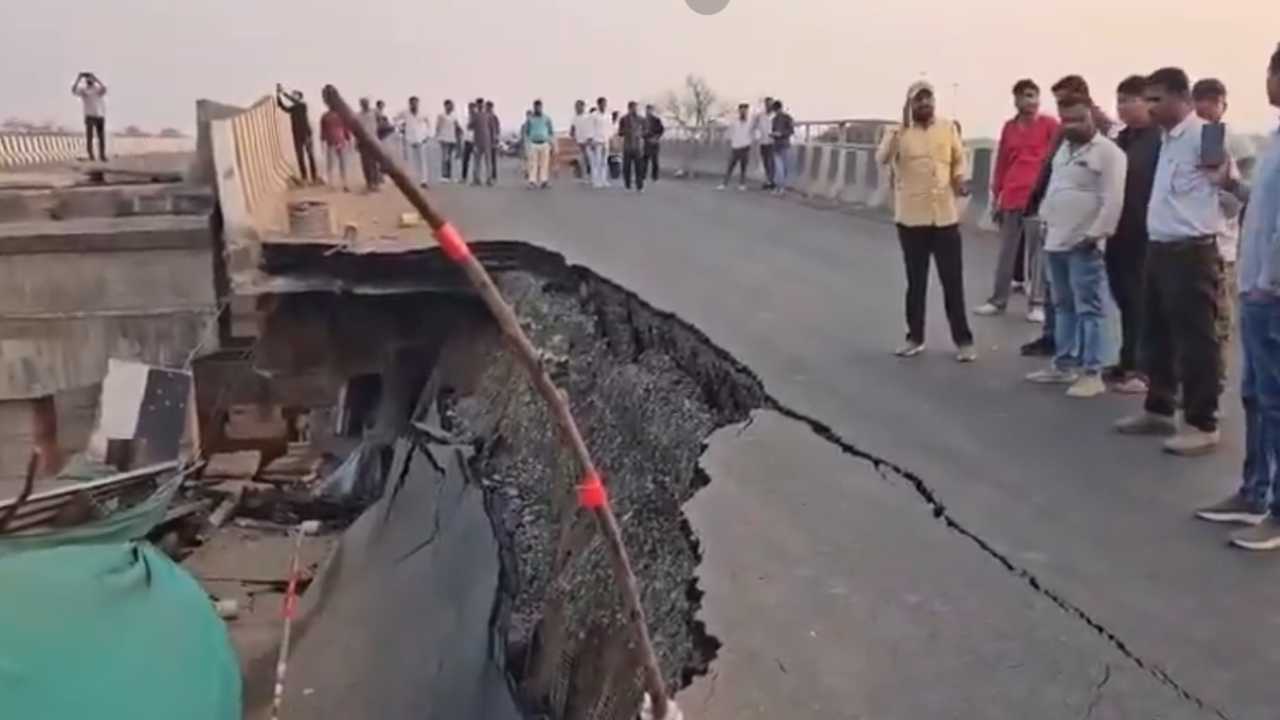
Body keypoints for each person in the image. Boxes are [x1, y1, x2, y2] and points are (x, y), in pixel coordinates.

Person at [1114, 67, 1232, 456]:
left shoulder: (1205, 136)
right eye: (1146, 99)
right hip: (1160, 247)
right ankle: (1159, 407)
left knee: (1196, 340)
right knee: (1157, 334)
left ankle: (1202, 422)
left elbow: (1229, 195)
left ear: (1181, 98)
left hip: (1192, 250)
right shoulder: (1165, 140)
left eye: (1156, 99)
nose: (1149, 107)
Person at [1194, 44, 1280, 550]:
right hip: (1255, 287)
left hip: (1272, 292)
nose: (1267, 81)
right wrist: (1231, 183)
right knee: (1255, 397)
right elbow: (1263, 209)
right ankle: (1254, 492)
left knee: (1276, 402)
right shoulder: (1272, 142)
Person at [1024, 93, 1126, 398]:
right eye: (1066, 119)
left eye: (1079, 118)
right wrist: (1045, 221)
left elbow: (1113, 199)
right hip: (1056, 239)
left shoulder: (1108, 153)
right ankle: (1063, 363)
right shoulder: (1064, 151)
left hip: (1084, 243)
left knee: (1090, 308)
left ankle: (1092, 371)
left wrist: (1096, 234)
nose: (1072, 125)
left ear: (1092, 116)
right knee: (1063, 305)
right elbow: (1056, 188)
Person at [876, 80, 977, 362]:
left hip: (944, 217)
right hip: (911, 218)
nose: (925, 105)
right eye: (918, 100)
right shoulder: (896, 131)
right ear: (910, 104)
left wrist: (959, 179)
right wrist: (899, 129)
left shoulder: (947, 128)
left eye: (928, 99)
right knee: (916, 282)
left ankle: (964, 341)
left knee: (952, 282)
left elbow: (959, 159)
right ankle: (914, 337)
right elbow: (882, 158)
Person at [1019, 75, 1110, 358]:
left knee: (1081, 294)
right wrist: (1037, 200)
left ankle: (1082, 353)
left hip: (1083, 224)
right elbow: (1051, 166)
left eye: (1064, 100)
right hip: (1056, 217)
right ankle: (1055, 339)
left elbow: (1108, 188)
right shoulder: (1066, 128)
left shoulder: (1100, 131)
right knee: (1055, 287)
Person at [975, 79, 1059, 320]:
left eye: (1034, 96)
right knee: (1006, 252)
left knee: (1038, 254)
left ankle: (1037, 304)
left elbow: (1058, 158)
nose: (1031, 101)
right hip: (1012, 196)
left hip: (1039, 198)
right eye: (1026, 96)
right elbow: (1001, 162)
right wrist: (996, 195)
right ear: (1017, 100)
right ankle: (998, 300)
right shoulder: (1009, 128)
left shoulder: (1049, 125)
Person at [1193, 78, 1255, 387]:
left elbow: (1246, 194)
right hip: (1193, 237)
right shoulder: (1187, 138)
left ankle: (1216, 373)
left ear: (1223, 105)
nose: (1205, 107)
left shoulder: (1236, 142)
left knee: (1219, 313)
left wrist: (1225, 188)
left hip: (1223, 240)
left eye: (1212, 101)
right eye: (1200, 99)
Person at [1105, 75, 1162, 393]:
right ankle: (1127, 359)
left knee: (1141, 300)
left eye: (1130, 100)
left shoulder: (1160, 139)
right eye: (1120, 100)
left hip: (1147, 231)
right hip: (1119, 230)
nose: (1124, 107)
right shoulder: (1121, 140)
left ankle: (1143, 367)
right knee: (1124, 297)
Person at [277, 84, 318, 184]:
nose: (293, 96)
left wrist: (283, 92)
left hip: (306, 134)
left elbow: (293, 101)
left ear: (299, 97)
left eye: (295, 95)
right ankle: (304, 177)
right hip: (296, 135)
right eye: (293, 95)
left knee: (310, 155)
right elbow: (282, 107)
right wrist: (278, 95)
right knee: (300, 157)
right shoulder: (293, 109)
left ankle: (314, 177)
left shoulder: (303, 106)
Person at [71, 72, 108, 162]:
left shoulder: (97, 89)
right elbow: (73, 90)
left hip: (99, 115)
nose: (89, 80)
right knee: (89, 137)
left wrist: (96, 78)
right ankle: (91, 155)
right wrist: (78, 78)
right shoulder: (84, 90)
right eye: (88, 79)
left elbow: (104, 89)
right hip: (89, 116)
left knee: (101, 137)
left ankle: (102, 155)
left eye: (91, 79)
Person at [397, 96, 432, 188]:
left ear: (418, 103)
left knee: (422, 161)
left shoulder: (423, 113)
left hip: (421, 140)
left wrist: (427, 136)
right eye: (412, 103)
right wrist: (401, 129)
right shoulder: (405, 113)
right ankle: (410, 181)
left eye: (415, 103)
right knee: (409, 161)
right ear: (409, 104)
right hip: (409, 140)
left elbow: (429, 124)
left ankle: (424, 181)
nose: (414, 105)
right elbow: (395, 119)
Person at [718, 103, 753, 191]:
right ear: (739, 111)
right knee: (730, 166)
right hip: (736, 146)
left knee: (743, 167)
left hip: (745, 146)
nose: (744, 112)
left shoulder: (750, 122)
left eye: (745, 110)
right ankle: (724, 184)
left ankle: (742, 184)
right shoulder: (734, 121)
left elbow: (754, 132)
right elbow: (726, 126)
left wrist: (751, 142)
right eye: (742, 110)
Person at [319, 105, 353, 191]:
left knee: (332, 164)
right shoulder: (340, 115)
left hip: (333, 142)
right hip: (338, 141)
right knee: (341, 164)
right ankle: (342, 184)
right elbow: (346, 129)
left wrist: (322, 143)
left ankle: (335, 184)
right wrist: (349, 141)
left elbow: (323, 131)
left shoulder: (326, 116)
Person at [524, 100, 555, 189]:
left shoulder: (546, 118)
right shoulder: (530, 119)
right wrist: (527, 144)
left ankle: (543, 180)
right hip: (533, 143)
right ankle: (532, 181)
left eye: (539, 107)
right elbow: (526, 132)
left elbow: (550, 132)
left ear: (541, 107)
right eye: (536, 107)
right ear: (534, 107)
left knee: (544, 163)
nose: (538, 108)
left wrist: (552, 143)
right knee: (532, 163)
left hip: (544, 143)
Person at [619, 101, 647, 192]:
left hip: (638, 146)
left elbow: (646, 130)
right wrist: (625, 131)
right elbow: (620, 132)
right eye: (632, 108)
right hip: (627, 146)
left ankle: (640, 186)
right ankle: (627, 185)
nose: (634, 109)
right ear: (629, 108)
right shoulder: (623, 119)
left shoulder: (641, 119)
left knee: (639, 168)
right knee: (626, 167)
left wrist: (640, 134)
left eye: (635, 108)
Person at [770, 100, 795, 195]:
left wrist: (780, 134)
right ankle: (780, 187)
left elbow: (791, 131)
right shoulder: (775, 119)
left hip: (783, 144)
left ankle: (780, 187)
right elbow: (790, 131)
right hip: (779, 144)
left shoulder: (787, 118)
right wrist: (774, 134)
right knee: (780, 167)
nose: (776, 112)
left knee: (782, 167)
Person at [355, 98, 381, 192]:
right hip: (363, 142)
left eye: (366, 103)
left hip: (374, 140)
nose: (364, 104)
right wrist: (356, 142)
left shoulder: (375, 112)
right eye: (362, 103)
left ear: (368, 103)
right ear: (360, 104)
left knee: (374, 163)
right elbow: (356, 129)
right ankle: (369, 183)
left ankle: (376, 183)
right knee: (365, 164)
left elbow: (380, 122)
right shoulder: (358, 115)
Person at [752, 96, 777, 190]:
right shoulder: (760, 115)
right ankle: (768, 180)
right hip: (763, 141)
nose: (768, 106)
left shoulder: (775, 115)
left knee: (771, 161)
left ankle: (771, 181)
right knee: (766, 162)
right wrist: (756, 136)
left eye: (770, 104)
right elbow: (754, 126)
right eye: (767, 104)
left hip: (773, 141)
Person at [436, 99, 462, 183]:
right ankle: (444, 175)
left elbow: (457, 126)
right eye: (450, 105)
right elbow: (438, 127)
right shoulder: (441, 116)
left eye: (452, 105)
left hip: (452, 139)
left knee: (449, 158)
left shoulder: (454, 117)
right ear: (446, 106)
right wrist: (438, 137)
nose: (451, 107)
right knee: (445, 158)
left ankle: (448, 175)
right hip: (443, 139)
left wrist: (460, 131)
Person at [471, 99, 495, 187]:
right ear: (477, 105)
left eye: (481, 104)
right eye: (478, 104)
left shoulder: (488, 115)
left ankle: (488, 179)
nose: (480, 106)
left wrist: (493, 140)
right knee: (477, 161)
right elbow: (470, 126)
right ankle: (476, 179)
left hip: (487, 141)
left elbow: (492, 128)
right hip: (477, 141)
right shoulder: (475, 115)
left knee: (487, 161)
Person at [587, 98, 611, 189]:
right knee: (596, 161)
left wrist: (609, 139)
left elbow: (610, 128)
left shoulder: (608, 116)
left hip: (605, 140)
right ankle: (596, 181)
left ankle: (603, 179)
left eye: (605, 103)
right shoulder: (593, 116)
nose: (604, 105)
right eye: (603, 104)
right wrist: (591, 140)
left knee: (604, 162)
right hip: (596, 140)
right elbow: (590, 128)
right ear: (598, 104)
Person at [571, 99, 593, 182]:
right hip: (579, 141)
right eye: (575, 107)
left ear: (583, 107)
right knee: (582, 160)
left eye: (578, 106)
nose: (576, 108)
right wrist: (573, 135)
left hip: (588, 141)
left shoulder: (588, 117)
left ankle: (594, 176)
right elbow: (573, 128)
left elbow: (591, 128)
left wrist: (589, 139)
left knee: (590, 159)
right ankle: (585, 176)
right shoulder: (575, 117)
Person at [374, 99, 394, 184]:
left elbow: (389, 128)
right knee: (380, 159)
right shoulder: (376, 115)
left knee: (382, 159)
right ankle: (379, 177)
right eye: (380, 106)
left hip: (382, 138)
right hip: (378, 138)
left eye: (382, 106)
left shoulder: (383, 117)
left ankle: (380, 177)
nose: (381, 107)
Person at [644, 104, 665, 182]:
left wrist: (656, 138)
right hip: (645, 142)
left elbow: (661, 130)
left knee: (655, 160)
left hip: (654, 143)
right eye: (647, 110)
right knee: (644, 160)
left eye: (650, 110)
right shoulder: (643, 120)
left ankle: (655, 177)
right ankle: (643, 175)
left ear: (652, 111)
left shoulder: (656, 120)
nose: (648, 112)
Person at [461, 101, 477, 182]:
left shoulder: (477, 118)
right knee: (465, 160)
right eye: (469, 108)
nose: (470, 109)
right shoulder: (466, 118)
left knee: (476, 160)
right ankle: (464, 177)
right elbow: (465, 129)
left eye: (472, 108)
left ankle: (475, 178)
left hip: (475, 141)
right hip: (467, 140)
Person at [486, 101, 501, 184]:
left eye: (489, 107)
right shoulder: (485, 116)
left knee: (492, 159)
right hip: (486, 139)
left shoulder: (494, 117)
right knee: (489, 159)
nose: (487, 108)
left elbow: (497, 129)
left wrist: (496, 139)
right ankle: (490, 175)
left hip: (492, 140)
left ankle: (493, 175)